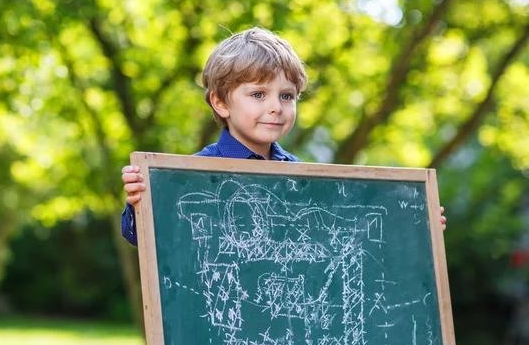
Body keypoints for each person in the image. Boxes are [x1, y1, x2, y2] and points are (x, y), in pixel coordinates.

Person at [120, 27, 446, 246]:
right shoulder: (189, 177)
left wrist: (415, 227)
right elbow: (146, 239)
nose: (276, 107)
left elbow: (342, 237)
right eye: (259, 95)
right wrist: (141, 202)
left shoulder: (302, 179)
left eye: (287, 96)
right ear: (220, 103)